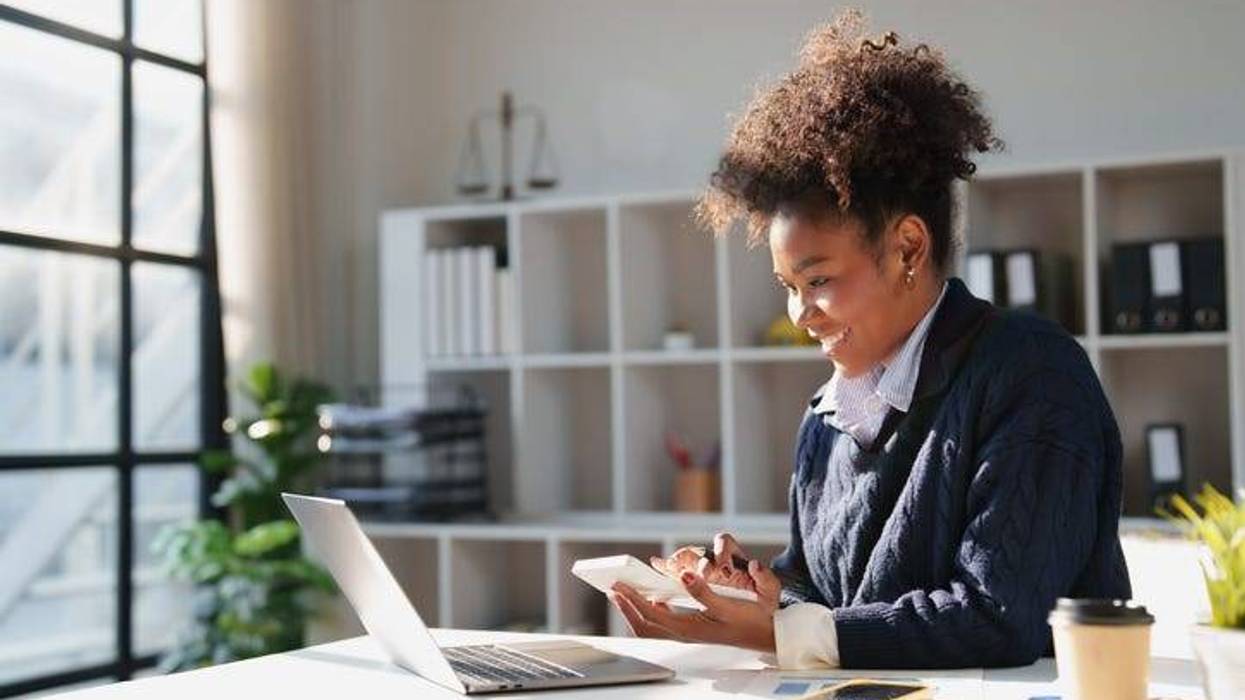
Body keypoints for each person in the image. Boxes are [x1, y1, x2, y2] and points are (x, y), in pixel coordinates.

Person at [607, 11, 1131, 669]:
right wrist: (754, 596)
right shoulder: (826, 419)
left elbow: (999, 618)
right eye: (787, 285)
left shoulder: (1030, 374)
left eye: (818, 279)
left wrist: (779, 632)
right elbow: (823, 596)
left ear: (908, 246)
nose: (800, 314)